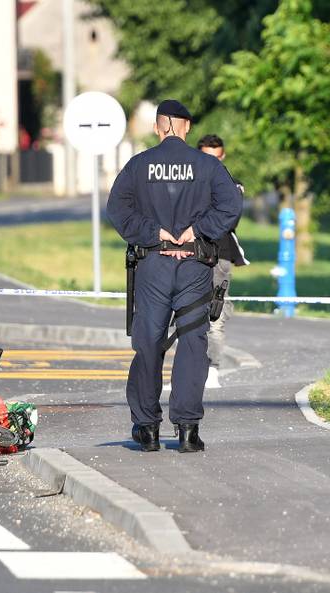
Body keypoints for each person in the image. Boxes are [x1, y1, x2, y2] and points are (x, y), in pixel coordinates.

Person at [106, 100, 242, 452]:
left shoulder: (139, 165)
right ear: (186, 127)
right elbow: (231, 206)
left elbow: (118, 209)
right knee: (193, 342)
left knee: (149, 342)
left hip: (153, 265)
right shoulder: (208, 165)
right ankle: (187, 430)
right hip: (195, 266)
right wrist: (197, 230)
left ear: (157, 128)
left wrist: (154, 233)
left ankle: (147, 427)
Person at [196, 134, 248, 389]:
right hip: (191, 251)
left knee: (215, 313)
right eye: (207, 158)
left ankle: (212, 368)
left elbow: (230, 216)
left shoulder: (232, 184)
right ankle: (189, 371)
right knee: (187, 312)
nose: (212, 163)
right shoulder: (190, 182)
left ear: (223, 157)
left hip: (221, 254)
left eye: (216, 158)